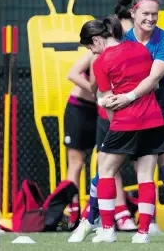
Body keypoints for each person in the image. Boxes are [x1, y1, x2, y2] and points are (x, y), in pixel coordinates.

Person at [106, 0, 164, 244]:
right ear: (133, 13)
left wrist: (127, 96)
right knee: (107, 167)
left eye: (155, 14)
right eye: (146, 13)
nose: (151, 19)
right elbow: (108, 71)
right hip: (132, 113)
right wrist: (108, 98)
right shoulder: (121, 40)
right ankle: (95, 224)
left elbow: (153, 79)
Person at [78, 16, 164, 243]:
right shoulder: (141, 49)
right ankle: (143, 233)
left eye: (90, 47)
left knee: (105, 170)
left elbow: (108, 103)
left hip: (125, 123)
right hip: (154, 120)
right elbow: (153, 84)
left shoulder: (101, 62)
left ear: (97, 40)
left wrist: (108, 113)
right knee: (146, 176)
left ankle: (108, 230)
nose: (92, 53)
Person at [68, 0, 137, 243]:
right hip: (100, 112)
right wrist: (97, 90)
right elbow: (81, 78)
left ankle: (100, 216)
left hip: (125, 113)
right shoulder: (98, 54)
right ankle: (87, 217)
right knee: (99, 165)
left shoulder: (131, 49)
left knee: (113, 165)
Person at [64, 51, 97, 226]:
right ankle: (72, 210)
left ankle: (113, 212)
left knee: (108, 162)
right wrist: (95, 90)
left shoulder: (124, 52)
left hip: (102, 111)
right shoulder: (93, 53)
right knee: (76, 163)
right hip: (79, 109)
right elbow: (72, 74)